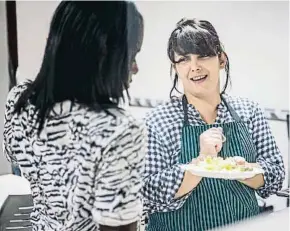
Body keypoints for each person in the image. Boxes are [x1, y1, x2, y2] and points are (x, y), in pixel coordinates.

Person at [3, 1, 145, 231]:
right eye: (131, 55)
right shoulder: (119, 128)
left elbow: (15, 157)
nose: (135, 67)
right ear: (103, 54)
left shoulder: (18, 101)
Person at [142, 18, 285, 231]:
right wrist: (201, 163)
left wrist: (242, 170)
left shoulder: (249, 112)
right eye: (183, 60)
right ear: (175, 68)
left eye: (203, 56)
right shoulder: (157, 122)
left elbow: (275, 176)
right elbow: (148, 193)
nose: (194, 67)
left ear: (221, 59)